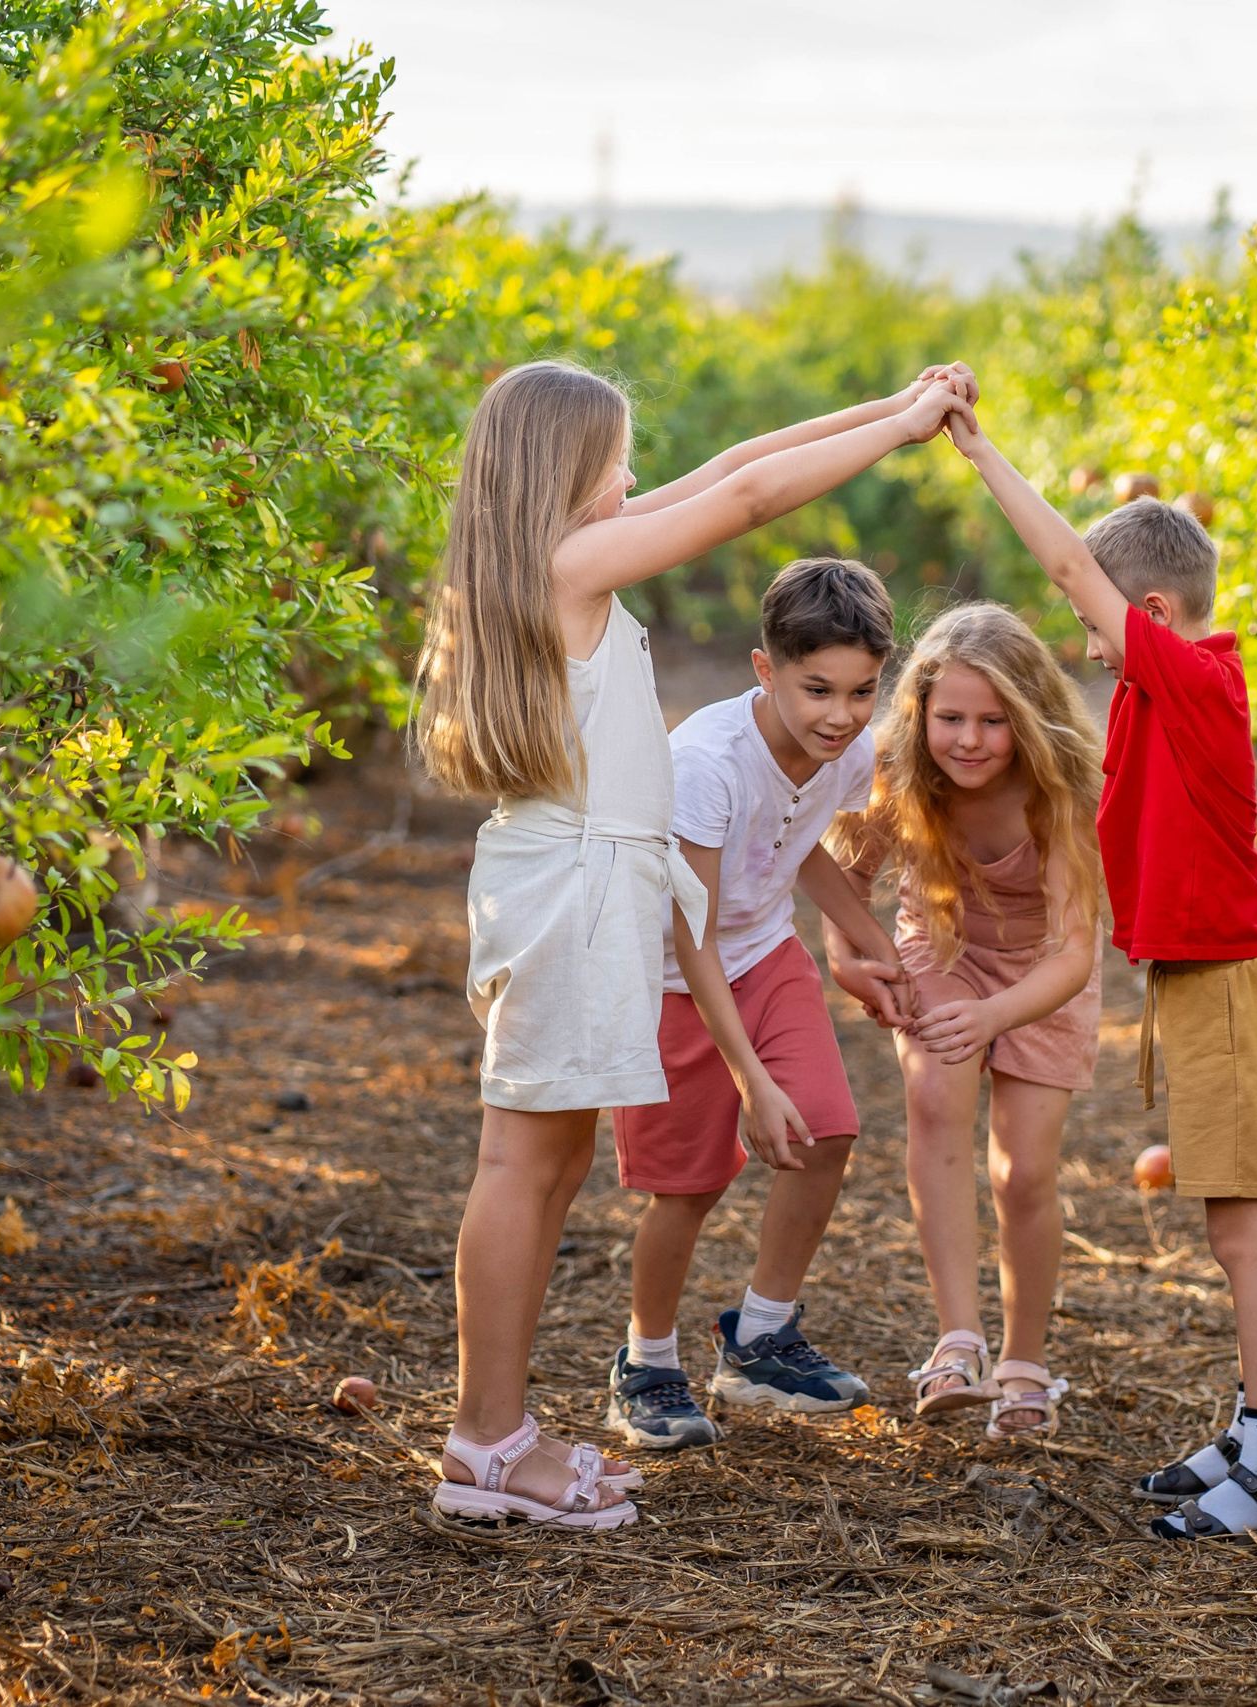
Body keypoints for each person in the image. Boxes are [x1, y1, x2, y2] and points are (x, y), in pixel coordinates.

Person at [413, 359, 977, 1530]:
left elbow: (731, 469)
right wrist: (899, 434)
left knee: (552, 1164)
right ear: (559, 473)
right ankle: (484, 1441)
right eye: (615, 457)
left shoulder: (566, 561)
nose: (632, 476)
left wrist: (895, 411)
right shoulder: (566, 567)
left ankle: (499, 1431)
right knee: (523, 1165)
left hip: (595, 882)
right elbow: (747, 502)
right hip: (574, 882)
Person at [948, 413, 1257, 1538]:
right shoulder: (1166, 694)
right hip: (1204, 985)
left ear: (1145, 615)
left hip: (1233, 990)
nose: (1087, 646)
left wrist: (977, 450)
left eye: (1094, 625)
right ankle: (1251, 1439)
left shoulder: (1193, 678)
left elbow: (1063, 559)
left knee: (1244, 1229)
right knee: (1225, 1220)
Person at [603, 557, 912, 1451]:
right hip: (676, 980)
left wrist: (866, 934)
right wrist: (749, 1079)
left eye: (862, 692)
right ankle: (646, 1361)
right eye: (818, 689)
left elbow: (800, 845)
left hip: (765, 952)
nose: (842, 715)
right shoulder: (704, 764)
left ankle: (761, 1337)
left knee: (827, 1127)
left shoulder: (845, 751)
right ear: (764, 668)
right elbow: (690, 936)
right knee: (688, 1188)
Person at [826, 602, 1106, 1443]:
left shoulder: (1058, 790)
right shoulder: (898, 767)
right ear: (920, 712)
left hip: (1038, 977)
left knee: (1024, 1173)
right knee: (937, 1105)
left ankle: (1024, 1360)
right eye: (951, 717)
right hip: (941, 952)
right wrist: (851, 962)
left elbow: (1074, 954)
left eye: (994, 721)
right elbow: (842, 881)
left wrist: (994, 1015)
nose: (970, 739)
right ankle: (959, 1341)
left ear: (1028, 717)